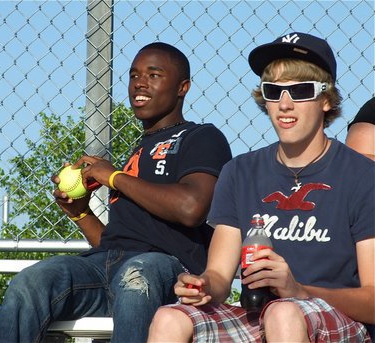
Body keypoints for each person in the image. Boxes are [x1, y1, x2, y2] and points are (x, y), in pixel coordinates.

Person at [0, 42, 232, 343]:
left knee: (137, 275)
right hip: (106, 268)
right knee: (34, 280)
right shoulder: (137, 151)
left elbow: (192, 208)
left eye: (154, 75)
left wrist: (113, 176)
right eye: (134, 75)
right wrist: (81, 213)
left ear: (183, 87)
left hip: (167, 270)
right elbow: (116, 242)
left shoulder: (201, 137)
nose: (139, 82)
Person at [148, 32, 375, 342]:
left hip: (338, 317)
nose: (284, 104)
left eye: (300, 91)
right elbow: (219, 276)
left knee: (283, 312)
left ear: (325, 99)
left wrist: (299, 291)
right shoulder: (239, 172)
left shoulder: (362, 174)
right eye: (274, 91)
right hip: (261, 315)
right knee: (168, 318)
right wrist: (200, 286)